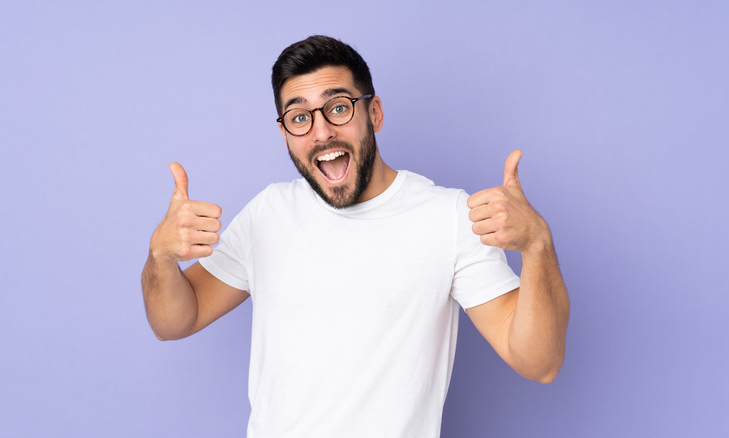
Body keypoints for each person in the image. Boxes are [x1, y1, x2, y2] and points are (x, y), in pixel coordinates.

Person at [142, 35, 569, 437]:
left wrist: (537, 246)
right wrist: (160, 257)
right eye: (299, 117)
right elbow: (174, 322)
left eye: (339, 107)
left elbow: (539, 362)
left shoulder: (449, 216)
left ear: (374, 113)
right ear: (285, 134)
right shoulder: (268, 213)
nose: (322, 131)